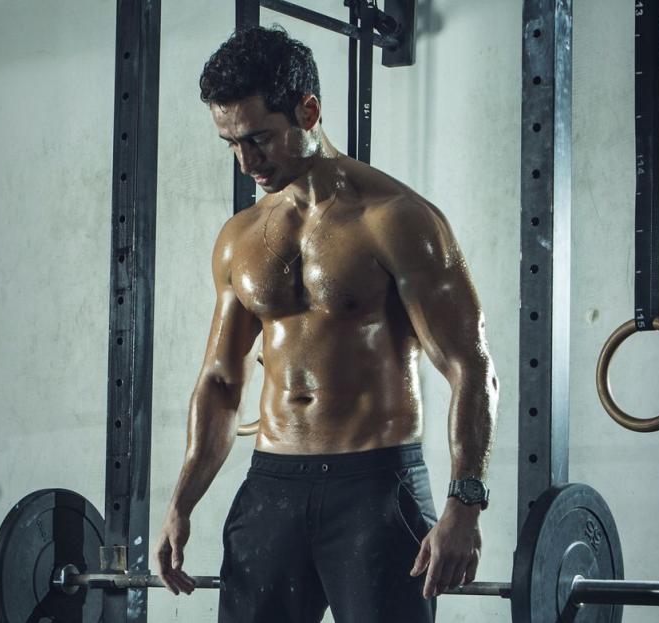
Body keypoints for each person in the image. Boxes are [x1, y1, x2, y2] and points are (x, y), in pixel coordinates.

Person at [154, 26, 498, 623]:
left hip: (374, 489)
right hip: (270, 489)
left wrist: (464, 505)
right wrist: (182, 502)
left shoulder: (397, 220)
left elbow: (472, 367)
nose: (246, 161)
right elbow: (219, 381)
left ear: (309, 110)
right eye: (231, 144)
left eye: (260, 138)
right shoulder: (239, 239)